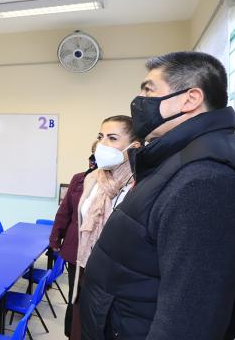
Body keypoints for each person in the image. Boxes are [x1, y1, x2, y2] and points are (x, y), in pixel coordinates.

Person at [80, 51, 235, 340]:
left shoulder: (207, 178)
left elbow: (188, 319)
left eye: (148, 90)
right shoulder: (180, 157)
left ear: (190, 99)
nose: (139, 102)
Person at [68, 115, 142, 340]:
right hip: (85, 271)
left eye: (112, 138)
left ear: (134, 146)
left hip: (118, 283)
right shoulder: (93, 179)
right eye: (101, 137)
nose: (102, 144)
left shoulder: (140, 184)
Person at [49, 140, 98, 337]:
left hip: (99, 252)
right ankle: (71, 333)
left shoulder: (117, 183)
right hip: (76, 249)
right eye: (93, 152)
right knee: (75, 295)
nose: (94, 158)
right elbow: (64, 212)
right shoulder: (79, 179)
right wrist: (55, 238)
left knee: (92, 300)